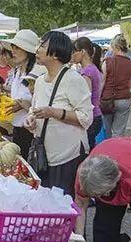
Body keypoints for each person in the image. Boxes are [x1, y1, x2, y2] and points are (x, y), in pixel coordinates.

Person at [25, 30, 92, 195]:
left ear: (55, 53)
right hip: (43, 156)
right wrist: (30, 121)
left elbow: (86, 118)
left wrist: (54, 112)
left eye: (42, 45)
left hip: (68, 156)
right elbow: (34, 110)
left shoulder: (74, 80)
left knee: (64, 205)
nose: (37, 49)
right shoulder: (40, 81)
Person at [3, 29, 40, 159]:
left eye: (17, 47)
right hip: (17, 127)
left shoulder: (37, 73)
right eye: (12, 47)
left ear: (28, 51)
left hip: (31, 130)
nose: (13, 50)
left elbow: (40, 102)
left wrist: (22, 104)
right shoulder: (17, 71)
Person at [101, 34, 131, 138]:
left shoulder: (107, 62)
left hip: (107, 100)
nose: (111, 50)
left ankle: (107, 150)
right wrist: (130, 97)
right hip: (124, 100)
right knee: (119, 133)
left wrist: (98, 98)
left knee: (106, 132)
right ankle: (116, 152)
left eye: (112, 48)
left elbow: (102, 82)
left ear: (116, 47)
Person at [72, 37, 103, 149]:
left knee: (86, 150)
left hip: (91, 117)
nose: (72, 55)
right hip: (96, 115)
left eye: (74, 51)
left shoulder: (87, 72)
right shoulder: (93, 68)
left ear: (83, 52)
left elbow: (85, 98)